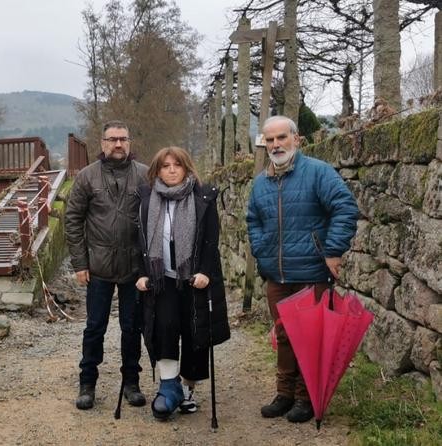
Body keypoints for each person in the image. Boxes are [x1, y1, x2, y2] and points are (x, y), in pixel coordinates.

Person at [247, 115, 359, 423]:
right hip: (277, 275)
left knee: (309, 338)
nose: (276, 144)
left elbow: (345, 208)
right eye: (269, 140)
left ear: (296, 139)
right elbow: (253, 220)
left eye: (282, 137)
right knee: (284, 335)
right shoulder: (260, 182)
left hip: (311, 272)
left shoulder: (318, 173)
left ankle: (305, 397)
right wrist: (261, 250)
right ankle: (284, 394)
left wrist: (333, 250)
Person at [135, 146, 230, 420]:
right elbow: (138, 241)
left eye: (177, 165)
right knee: (164, 329)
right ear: (157, 170)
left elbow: (212, 240)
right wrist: (142, 273)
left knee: (194, 334)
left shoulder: (203, 196)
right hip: (161, 279)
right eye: (165, 166)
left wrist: (205, 272)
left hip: (193, 280)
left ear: (187, 168)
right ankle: (168, 387)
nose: (172, 170)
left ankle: (188, 390)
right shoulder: (146, 199)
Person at [65, 120, 149, 410]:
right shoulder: (87, 177)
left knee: (132, 326)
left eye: (123, 139)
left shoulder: (145, 175)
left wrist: (150, 265)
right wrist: (80, 262)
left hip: (134, 267)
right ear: (102, 143)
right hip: (98, 266)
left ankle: (131, 382)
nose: (117, 144)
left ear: (130, 142)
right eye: (112, 139)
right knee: (95, 327)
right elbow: (72, 219)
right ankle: (87, 383)